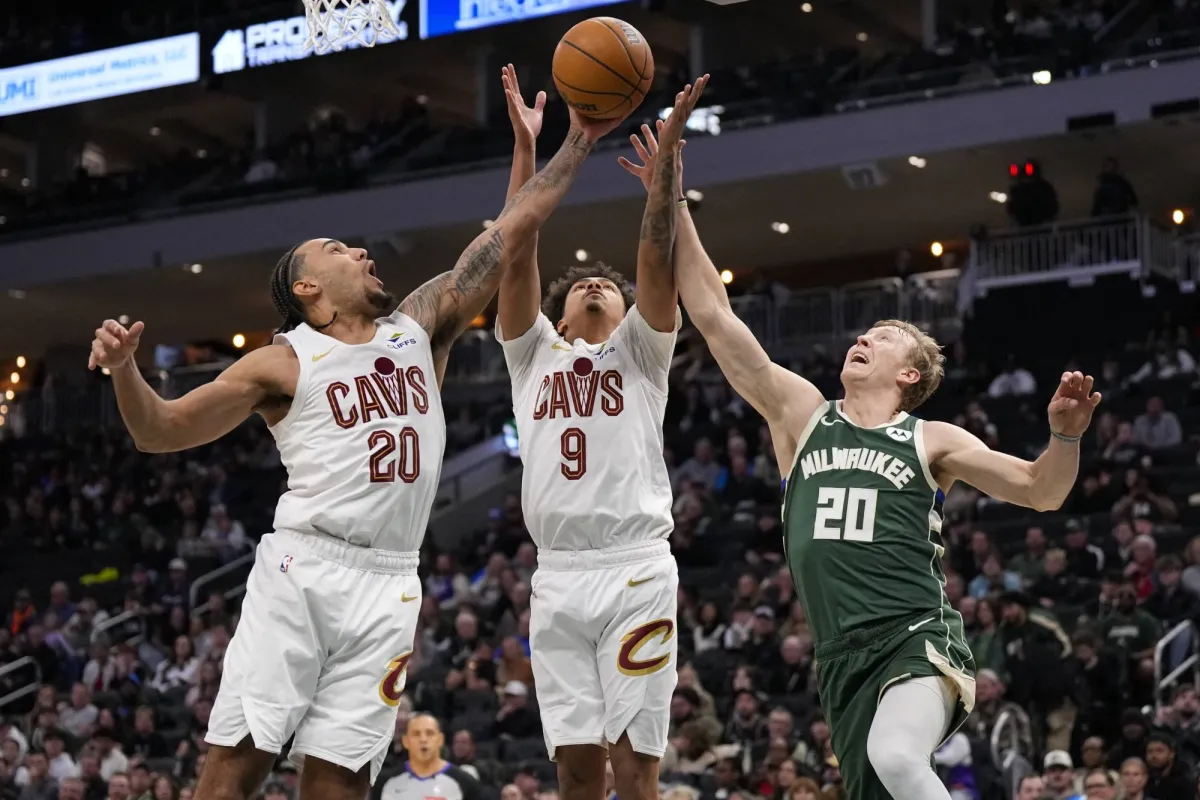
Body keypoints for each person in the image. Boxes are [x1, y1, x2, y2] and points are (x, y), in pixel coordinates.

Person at [86, 72, 632, 800]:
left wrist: (578, 140)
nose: (363, 253)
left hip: (391, 582)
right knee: (235, 768)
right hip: (305, 570)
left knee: (340, 782)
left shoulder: (420, 325)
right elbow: (160, 432)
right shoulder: (284, 361)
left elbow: (511, 231)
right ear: (306, 288)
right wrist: (125, 370)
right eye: (339, 250)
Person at [619, 126, 1100, 800]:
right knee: (883, 781)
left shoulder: (931, 439)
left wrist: (1064, 440)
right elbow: (713, 313)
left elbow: (1039, 491)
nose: (863, 339)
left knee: (897, 758)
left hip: (915, 635)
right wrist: (671, 198)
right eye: (863, 333)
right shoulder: (802, 416)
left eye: (883, 337)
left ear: (910, 374)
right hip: (839, 658)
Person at [495, 65, 708, 800]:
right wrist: (527, 149)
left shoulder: (643, 352)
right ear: (556, 317)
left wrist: (664, 174)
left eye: (609, 287)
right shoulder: (532, 355)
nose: (595, 283)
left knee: (636, 765)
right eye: (583, 283)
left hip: (635, 567)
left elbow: (656, 257)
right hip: (557, 574)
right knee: (577, 769)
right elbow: (514, 249)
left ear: (627, 311)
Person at [372, 714, 483, 800]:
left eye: (430, 733)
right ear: (406, 741)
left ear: (440, 740)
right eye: (416, 734)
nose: (423, 740)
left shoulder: (466, 783)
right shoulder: (384, 783)